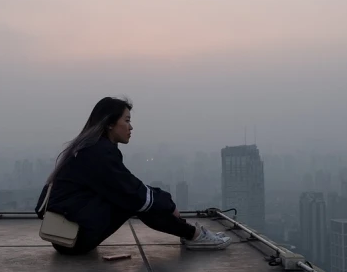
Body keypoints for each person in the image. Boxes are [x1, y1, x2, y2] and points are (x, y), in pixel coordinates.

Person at [35, 96, 231, 255]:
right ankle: (195, 235)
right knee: (134, 201)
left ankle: (191, 234)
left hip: (66, 235)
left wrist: (161, 202)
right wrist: (168, 204)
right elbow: (133, 191)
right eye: (126, 121)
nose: (131, 127)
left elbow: (128, 185)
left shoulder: (89, 148)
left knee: (135, 198)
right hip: (76, 238)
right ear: (110, 124)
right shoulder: (98, 152)